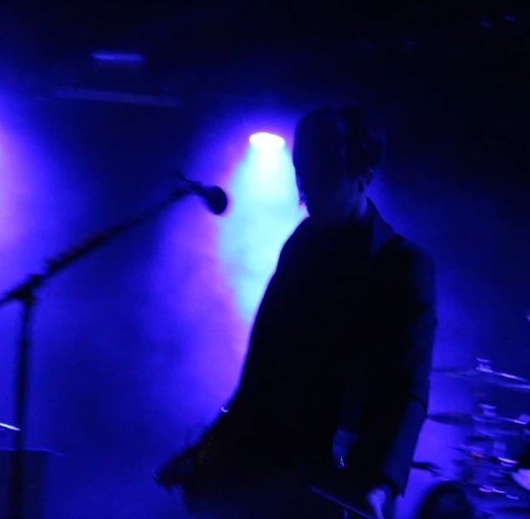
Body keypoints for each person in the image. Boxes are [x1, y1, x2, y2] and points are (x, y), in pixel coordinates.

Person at [156, 106, 436, 519]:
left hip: (341, 489)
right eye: (303, 174)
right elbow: (255, 383)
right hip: (270, 481)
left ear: (362, 174)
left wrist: (379, 483)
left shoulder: (400, 266)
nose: (309, 189)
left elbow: (406, 391)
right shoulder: (300, 250)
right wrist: (204, 454)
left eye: (324, 177)